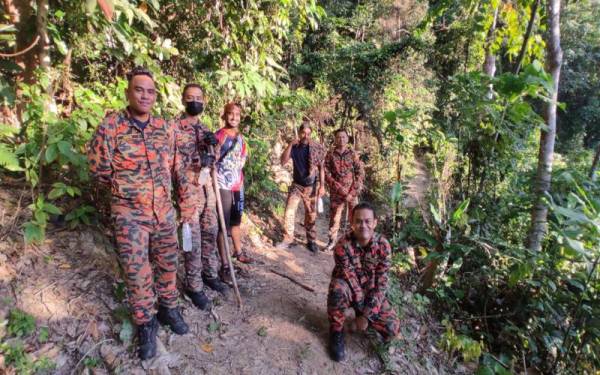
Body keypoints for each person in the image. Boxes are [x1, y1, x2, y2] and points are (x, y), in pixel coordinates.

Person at [87, 67, 193, 360]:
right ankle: (146, 323)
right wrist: (127, 191)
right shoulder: (111, 127)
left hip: (163, 211)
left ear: (155, 95)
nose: (145, 95)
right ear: (127, 92)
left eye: (150, 91)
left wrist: (184, 204)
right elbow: (99, 171)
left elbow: (177, 168)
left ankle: (169, 309)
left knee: (168, 263)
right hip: (129, 214)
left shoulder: (165, 127)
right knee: (136, 272)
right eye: (139, 89)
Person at [172, 83, 230, 305]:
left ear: (204, 101)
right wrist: (194, 162)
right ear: (183, 100)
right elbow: (170, 161)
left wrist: (212, 150)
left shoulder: (205, 128)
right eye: (190, 97)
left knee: (210, 232)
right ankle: (194, 285)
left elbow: (212, 156)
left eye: (198, 97)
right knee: (192, 238)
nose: (194, 101)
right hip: (188, 192)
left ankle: (210, 274)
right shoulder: (175, 128)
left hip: (208, 191)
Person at [327, 202, 400, 362]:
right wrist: (364, 314)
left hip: (370, 292)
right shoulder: (342, 245)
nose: (363, 225)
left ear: (375, 222)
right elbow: (350, 280)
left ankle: (355, 323)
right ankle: (336, 331)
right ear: (352, 223)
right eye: (358, 221)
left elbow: (381, 285)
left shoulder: (383, 246)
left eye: (367, 221)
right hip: (349, 289)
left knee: (393, 328)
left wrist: (367, 315)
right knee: (337, 288)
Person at [214, 102, 252, 284]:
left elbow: (243, 158)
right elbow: (213, 158)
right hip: (223, 185)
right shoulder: (219, 136)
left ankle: (238, 252)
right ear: (224, 115)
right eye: (231, 114)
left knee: (236, 221)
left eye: (237, 114)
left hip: (238, 184)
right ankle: (225, 265)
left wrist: (238, 175)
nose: (234, 117)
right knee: (223, 225)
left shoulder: (241, 138)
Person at [277, 123, 326, 253]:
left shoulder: (316, 148)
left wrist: (322, 186)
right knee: (289, 211)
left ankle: (311, 241)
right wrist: (290, 145)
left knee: (311, 215)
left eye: (309, 134)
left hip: (311, 186)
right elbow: (283, 161)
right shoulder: (295, 147)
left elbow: (321, 169)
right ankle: (288, 238)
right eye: (303, 133)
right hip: (297, 185)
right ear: (299, 133)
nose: (306, 136)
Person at [324, 129, 365, 251]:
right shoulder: (330, 154)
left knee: (355, 217)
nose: (341, 139)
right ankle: (332, 241)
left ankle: (353, 243)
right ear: (335, 139)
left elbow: (360, 173)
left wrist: (352, 192)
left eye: (343, 137)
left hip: (352, 192)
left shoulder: (353, 154)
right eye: (338, 137)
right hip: (336, 191)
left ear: (347, 139)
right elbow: (325, 173)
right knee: (334, 217)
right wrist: (337, 187)